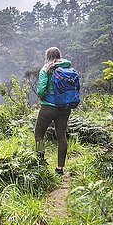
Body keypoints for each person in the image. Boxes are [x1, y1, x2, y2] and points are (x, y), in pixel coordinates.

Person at [35, 47, 72, 175]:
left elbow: (40, 90)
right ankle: (60, 168)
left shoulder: (46, 69)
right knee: (61, 136)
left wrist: (43, 97)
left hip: (48, 107)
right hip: (65, 106)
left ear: (47, 56)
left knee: (39, 134)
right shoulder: (68, 68)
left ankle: (41, 165)